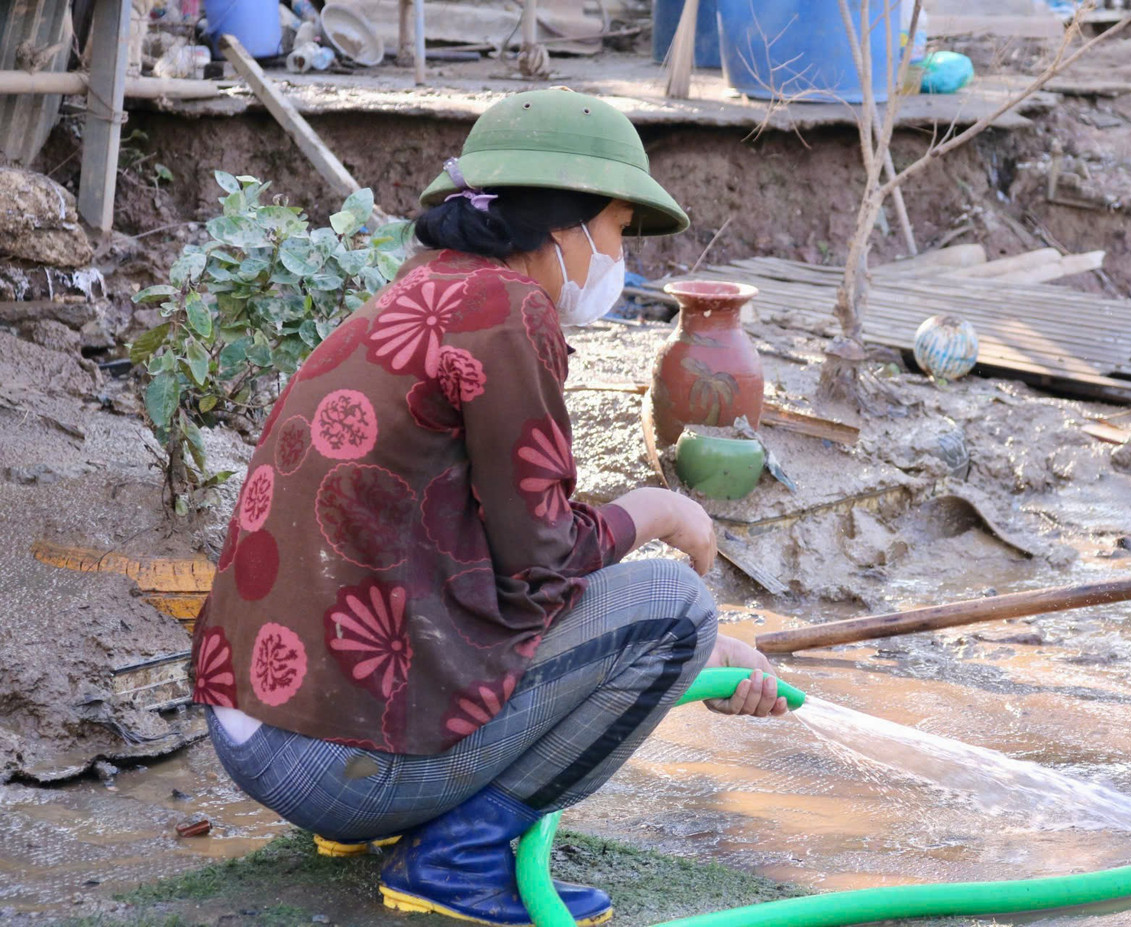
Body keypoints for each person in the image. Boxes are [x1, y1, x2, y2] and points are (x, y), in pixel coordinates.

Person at [190, 88, 788, 927]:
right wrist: (658, 515)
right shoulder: (509, 316)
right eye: (615, 229)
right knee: (678, 604)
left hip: (262, 728)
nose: (619, 257)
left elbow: (500, 556)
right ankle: (456, 856)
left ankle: (404, 820)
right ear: (561, 225)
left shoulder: (433, 291)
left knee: (671, 625)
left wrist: (690, 655)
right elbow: (543, 560)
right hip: (330, 762)